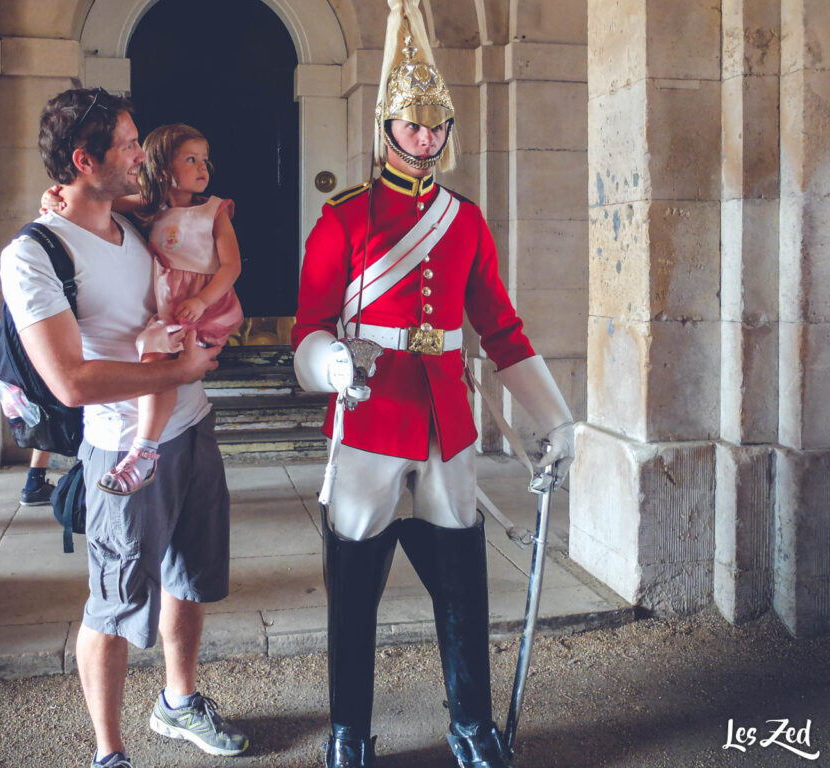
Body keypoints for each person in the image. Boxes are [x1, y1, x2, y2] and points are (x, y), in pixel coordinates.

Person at [291, 2, 575, 767]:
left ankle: (471, 723)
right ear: (387, 127)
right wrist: (333, 365)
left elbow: (502, 329)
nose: (426, 139)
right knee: (354, 594)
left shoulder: (466, 220)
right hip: (370, 416)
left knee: (462, 585)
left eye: (436, 126)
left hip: (448, 422)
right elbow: (306, 332)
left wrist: (556, 418)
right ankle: (349, 730)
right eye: (413, 126)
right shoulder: (344, 218)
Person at [0, 87, 249, 768]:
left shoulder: (128, 215)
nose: (143, 156)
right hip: (121, 449)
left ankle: (177, 702)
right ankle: (109, 754)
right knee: (111, 607)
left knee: (189, 580)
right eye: (130, 144)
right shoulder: (34, 254)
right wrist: (179, 372)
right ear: (84, 159)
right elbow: (70, 382)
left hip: (193, 429)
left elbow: (187, 228)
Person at [97, 124, 242, 496]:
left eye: (205, 160)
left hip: (204, 306)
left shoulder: (214, 210)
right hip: (168, 306)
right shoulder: (152, 206)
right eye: (191, 159)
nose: (202, 167)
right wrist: (58, 197)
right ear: (163, 169)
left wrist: (202, 300)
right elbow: (101, 200)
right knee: (156, 364)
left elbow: (231, 267)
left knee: (158, 363)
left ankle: (144, 452)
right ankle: (146, 451)